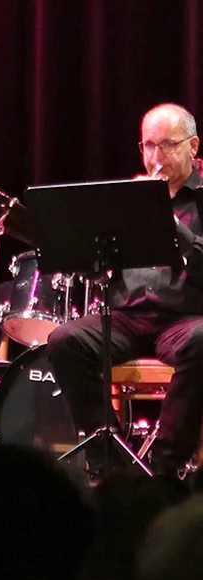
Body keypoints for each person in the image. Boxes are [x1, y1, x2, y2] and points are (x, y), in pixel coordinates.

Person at [47, 102, 203, 476]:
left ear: (193, 147)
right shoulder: (126, 197)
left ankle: (166, 464)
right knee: (63, 340)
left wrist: (165, 221)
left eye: (166, 145)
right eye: (148, 146)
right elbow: (92, 259)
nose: (155, 156)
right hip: (126, 317)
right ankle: (110, 459)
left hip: (184, 318)